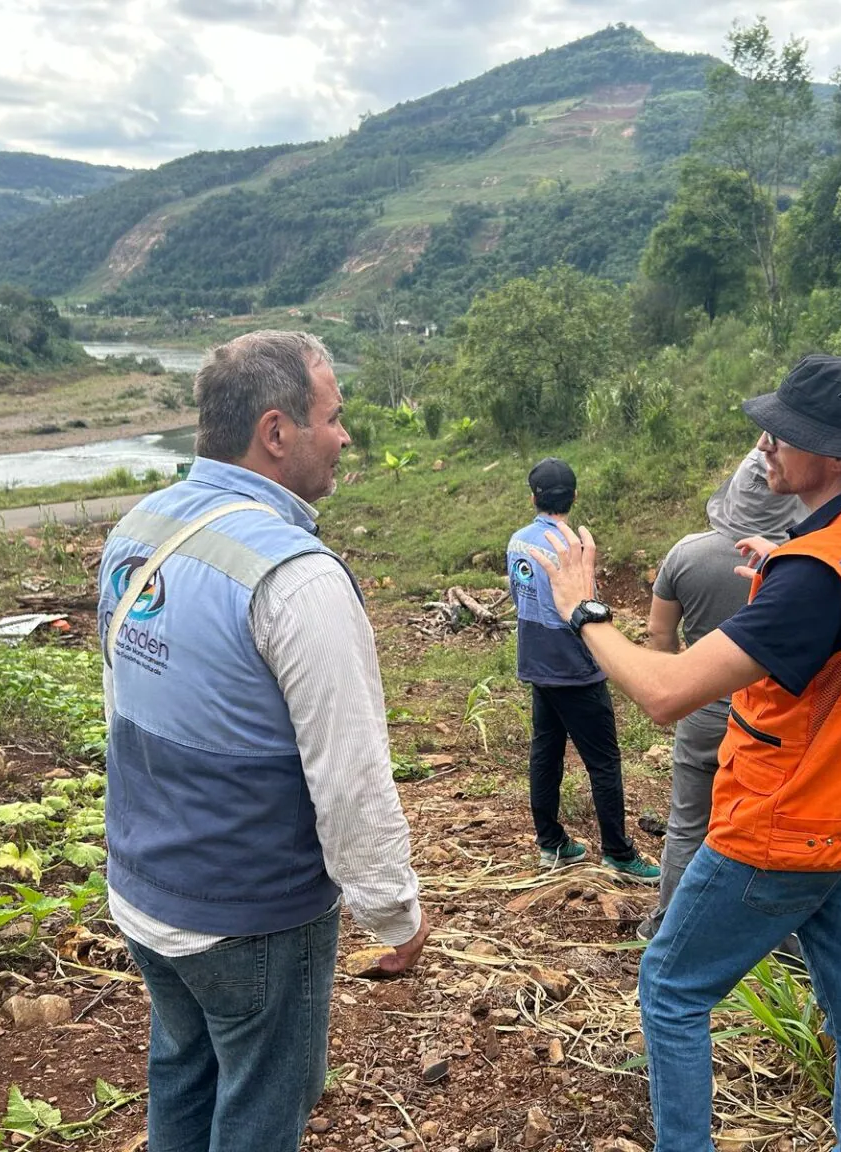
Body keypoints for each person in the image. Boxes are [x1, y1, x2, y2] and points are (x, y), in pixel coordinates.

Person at [527, 354, 841, 1152]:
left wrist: (583, 610)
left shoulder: (818, 578)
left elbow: (665, 691)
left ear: (837, 455)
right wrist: (780, 582)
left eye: (784, 431)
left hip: (784, 831)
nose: (765, 443)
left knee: (672, 987)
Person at [98, 330, 430, 1152]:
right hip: (249, 912)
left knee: (183, 1070)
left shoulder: (138, 528)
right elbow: (350, 776)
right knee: (261, 1107)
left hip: (144, 888)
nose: (344, 436)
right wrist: (394, 911)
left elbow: (127, 698)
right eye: (333, 416)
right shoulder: (297, 577)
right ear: (277, 433)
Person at [637, 446, 808, 940]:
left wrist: (680, 682)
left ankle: (668, 923)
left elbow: (659, 634)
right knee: (777, 828)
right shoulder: (804, 561)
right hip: (777, 721)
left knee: (689, 821)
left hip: (703, 712)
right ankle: (776, 939)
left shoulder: (688, 554)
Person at [505, 457, 659, 883]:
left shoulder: (518, 541)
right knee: (604, 761)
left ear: (533, 496)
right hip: (575, 666)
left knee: (546, 752)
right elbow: (579, 608)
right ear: (572, 496)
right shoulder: (573, 546)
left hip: (536, 662)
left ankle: (551, 843)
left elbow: (523, 598)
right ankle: (618, 851)